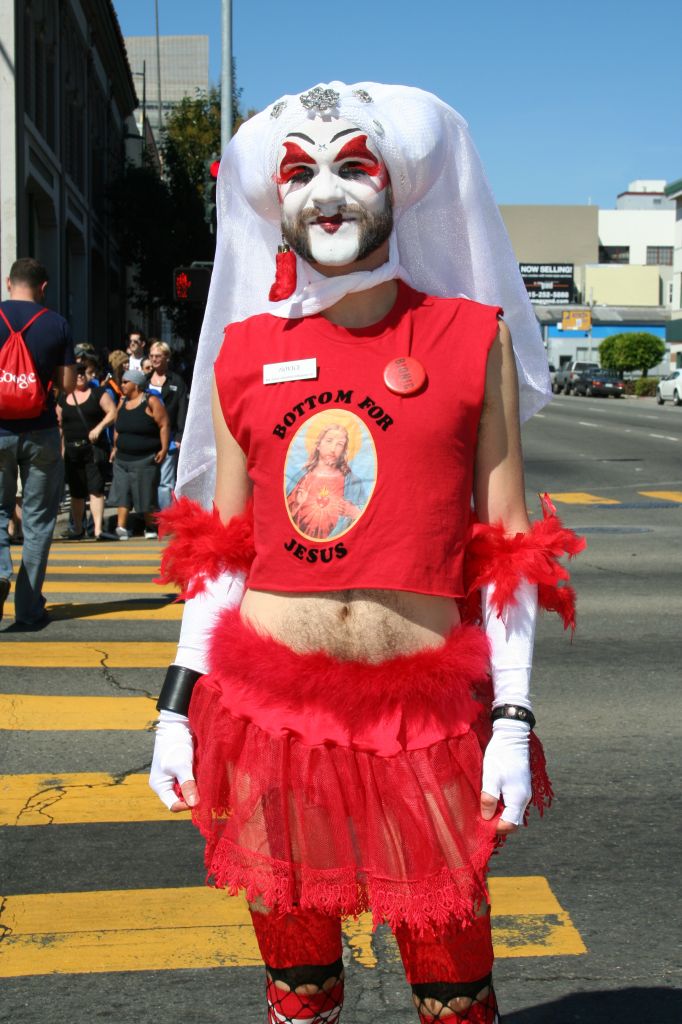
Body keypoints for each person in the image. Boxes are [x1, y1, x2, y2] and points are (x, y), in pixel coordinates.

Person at [149, 84, 583, 1023]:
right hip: (267, 714)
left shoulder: (474, 339)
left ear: (402, 190)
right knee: (297, 985)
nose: (327, 192)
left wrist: (511, 713)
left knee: (453, 986)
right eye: (300, 173)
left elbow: (508, 540)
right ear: (275, 201)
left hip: (420, 719)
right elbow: (222, 546)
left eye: (354, 165)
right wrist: (176, 702)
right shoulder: (241, 351)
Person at [0, 257, 76, 628]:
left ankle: (0, 571)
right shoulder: (55, 323)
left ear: (8, 282)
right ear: (43, 287)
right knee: (38, 521)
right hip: (41, 429)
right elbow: (67, 384)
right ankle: (28, 609)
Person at [56, 364, 117, 540]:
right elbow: (59, 424)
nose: (80, 376)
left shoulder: (98, 392)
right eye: (77, 373)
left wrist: (98, 429)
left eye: (83, 373)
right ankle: (77, 529)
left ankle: (97, 529)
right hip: (72, 450)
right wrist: (60, 452)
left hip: (93, 449)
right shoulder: (64, 397)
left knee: (96, 489)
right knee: (76, 492)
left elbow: (112, 412)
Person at [109, 368, 169, 539]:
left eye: (126, 382)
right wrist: (115, 447)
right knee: (123, 493)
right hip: (122, 458)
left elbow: (164, 424)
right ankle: (121, 527)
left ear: (136, 384)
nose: (122, 385)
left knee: (145, 494)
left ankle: (150, 526)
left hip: (145, 458)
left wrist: (164, 448)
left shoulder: (151, 401)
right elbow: (118, 428)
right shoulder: (123, 402)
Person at [145, 340, 188, 509]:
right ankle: (149, 518)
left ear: (167, 358)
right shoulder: (144, 381)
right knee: (148, 480)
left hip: (169, 438)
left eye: (158, 356)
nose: (154, 359)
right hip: (147, 438)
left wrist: (179, 437)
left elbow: (182, 410)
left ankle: (166, 519)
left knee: (165, 482)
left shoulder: (177, 381)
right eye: (152, 356)